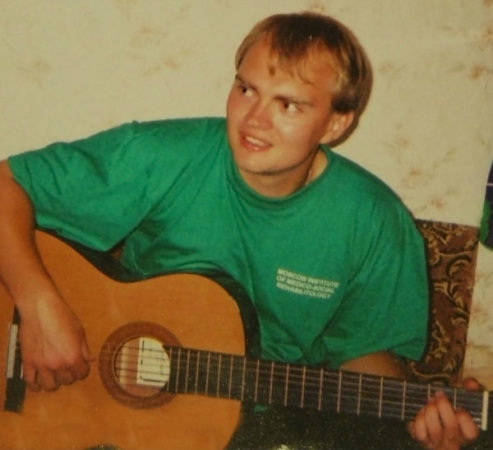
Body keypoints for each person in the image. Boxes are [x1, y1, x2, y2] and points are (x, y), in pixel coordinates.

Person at [0, 11, 482, 450]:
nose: (254, 120)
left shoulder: (375, 221)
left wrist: (411, 421)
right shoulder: (162, 155)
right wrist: (38, 304)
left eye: (288, 105)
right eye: (246, 89)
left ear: (336, 124)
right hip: (105, 414)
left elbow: (366, 355)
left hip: (268, 424)